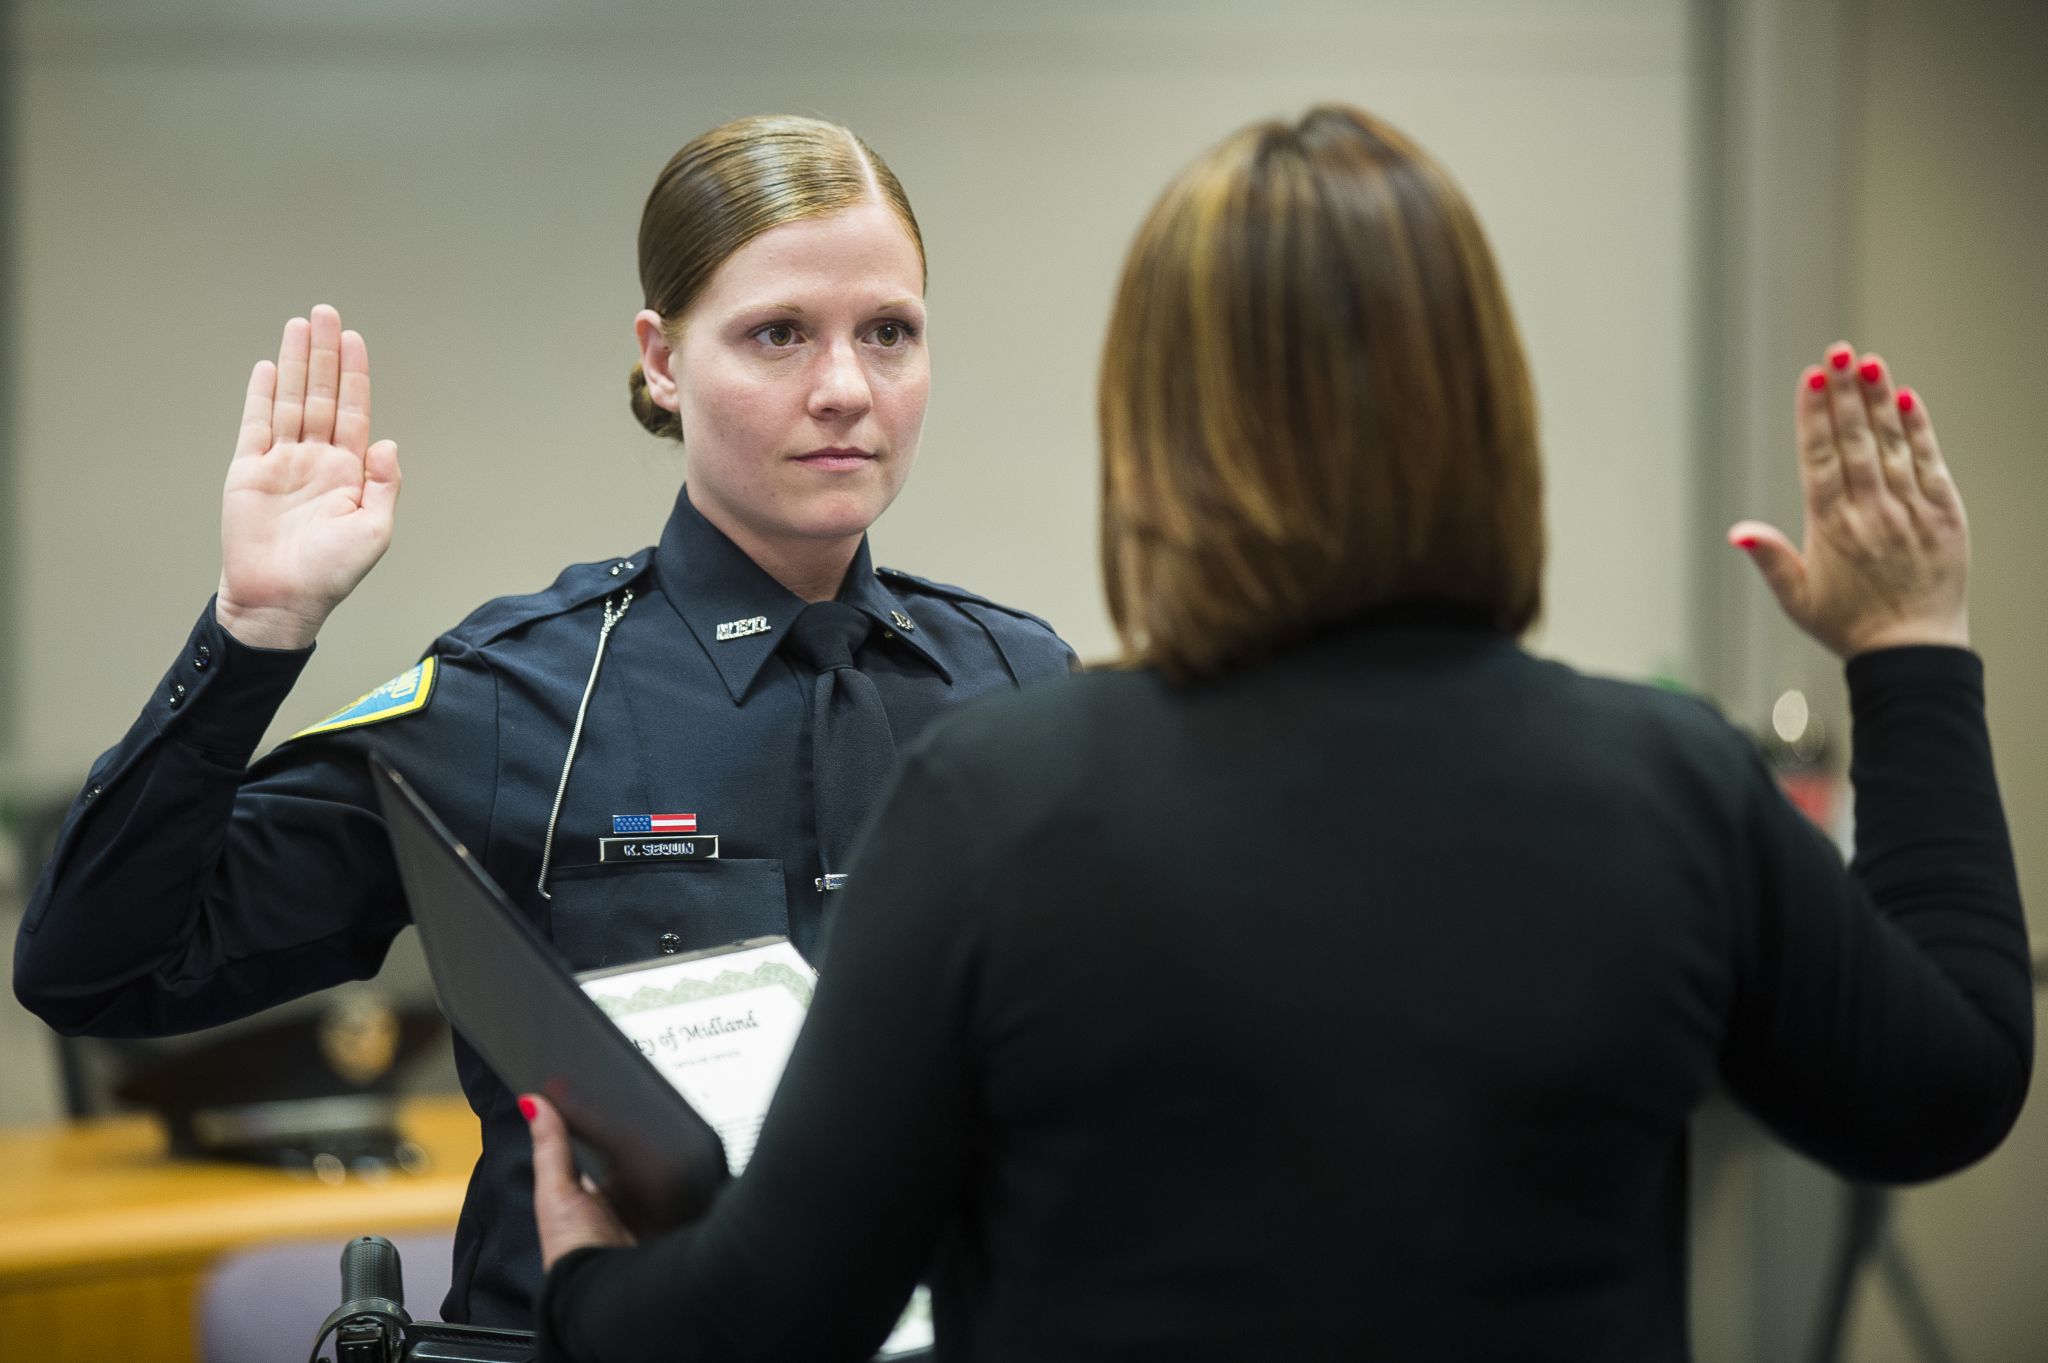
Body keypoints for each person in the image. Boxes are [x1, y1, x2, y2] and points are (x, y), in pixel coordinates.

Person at [523, 104, 2032, 1361]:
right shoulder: (1669, 782)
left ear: (1158, 422)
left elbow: (774, 1312)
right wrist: (1908, 650)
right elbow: (1948, 1080)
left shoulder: (1002, 797)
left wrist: (588, 1280)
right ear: (1486, 406)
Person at [11, 114, 1074, 1326]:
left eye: (887, 333)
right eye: (777, 334)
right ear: (662, 361)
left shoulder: (1019, 684)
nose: (843, 387)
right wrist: (253, 631)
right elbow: (98, 968)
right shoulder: (519, 698)